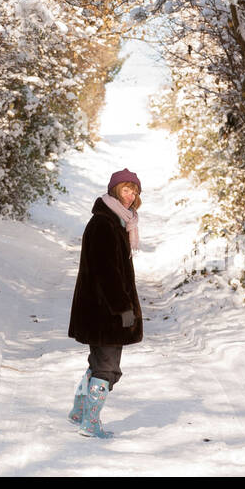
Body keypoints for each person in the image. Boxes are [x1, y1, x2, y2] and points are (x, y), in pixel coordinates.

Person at [67, 168, 143, 438]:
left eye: (134, 191)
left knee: (99, 363)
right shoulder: (104, 224)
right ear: (114, 191)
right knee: (108, 369)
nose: (131, 195)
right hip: (104, 311)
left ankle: (79, 411)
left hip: (100, 310)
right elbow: (107, 272)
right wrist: (123, 307)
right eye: (126, 189)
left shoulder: (118, 222)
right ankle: (90, 423)